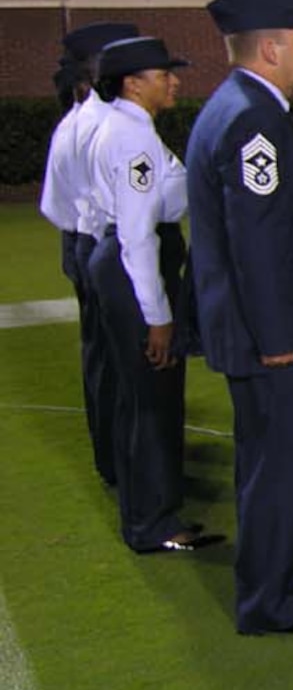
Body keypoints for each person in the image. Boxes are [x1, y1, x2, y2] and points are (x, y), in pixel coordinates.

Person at [186, 0, 293, 634]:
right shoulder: (254, 119)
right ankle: (270, 602)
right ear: (271, 48)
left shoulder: (238, 108)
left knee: (270, 467)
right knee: (275, 469)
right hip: (273, 341)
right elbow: (257, 241)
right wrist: (280, 337)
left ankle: (280, 584)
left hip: (261, 334)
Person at [82, 36, 206, 555]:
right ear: (133, 83)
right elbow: (137, 234)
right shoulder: (132, 139)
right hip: (135, 266)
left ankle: (147, 513)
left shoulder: (119, 127)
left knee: (140, 399)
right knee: (152, 398)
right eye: (162, 74)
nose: (172, 81)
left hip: (116, 260)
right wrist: (159, 316)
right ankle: (152, 521)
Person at [39, 20, 137, 488]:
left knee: (102, 359)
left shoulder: (79, 122)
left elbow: (53, 206)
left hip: (82, 242)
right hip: (98, 244)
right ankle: (118, 460)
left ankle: (112, 458)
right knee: (112, 360)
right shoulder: (95, 123)